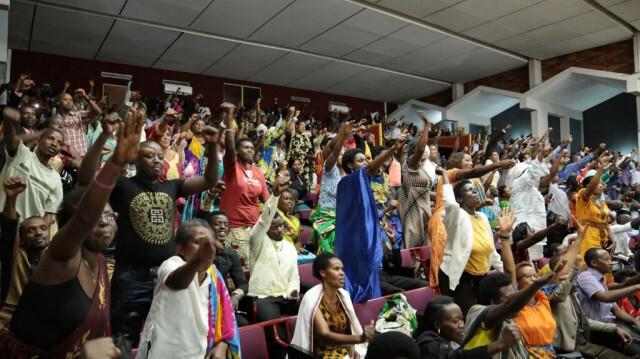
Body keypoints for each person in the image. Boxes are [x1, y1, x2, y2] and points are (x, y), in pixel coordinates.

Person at [0, 108, 142, 358]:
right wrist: (116, 163)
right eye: (96, 218)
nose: (104, 223)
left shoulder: (99, 261)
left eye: (109, 216)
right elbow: (84, 215)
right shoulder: (61, 258)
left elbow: (85, 185)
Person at [105, 107, 220, 349]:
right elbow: (94, 180)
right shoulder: (123, 186)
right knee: (124, 341)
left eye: (160, 156)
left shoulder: (172, 186)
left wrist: (211, 146)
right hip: (130, 278)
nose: (157, 160)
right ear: (136, 159)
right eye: (149, 156)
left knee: (164, 339)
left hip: (166, 275)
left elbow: (209, 181)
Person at [137, 219, 240, 359]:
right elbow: (177, 283)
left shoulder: (214, 276)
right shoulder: (171, 265)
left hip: (201, 353)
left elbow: (226, 317)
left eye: (209, 244)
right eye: (198, 243)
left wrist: (222, 344)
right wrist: (198, 259)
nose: (207, 250)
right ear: (180, 248)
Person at [335, 133, 407, 302]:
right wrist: (393, 149)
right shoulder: (348, 181)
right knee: (362, 284)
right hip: (354, 241)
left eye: (366, 159)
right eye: (361, 160)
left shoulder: (364, 182)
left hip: (364, 235)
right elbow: (371, 168)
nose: (366, 163)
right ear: (350, 165)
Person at [428, 151, 515, 286]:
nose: (471, 163)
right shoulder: (450, 173)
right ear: (458, 163)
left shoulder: (463, 183)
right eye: (467, 160)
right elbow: (474, 172)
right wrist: (498, 164)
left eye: (471, 161)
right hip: (444, 219)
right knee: (445, 260)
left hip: (460, 218)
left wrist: (479, 205)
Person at [438, 167, 511, 316]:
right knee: (470, 316)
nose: (475, 192)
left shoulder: (482, 217)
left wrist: (504, 273)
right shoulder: (456, 216)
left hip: (481, 274)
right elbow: (449, 203)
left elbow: (491, 250)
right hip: (460, 275)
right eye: (470, 190)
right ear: (460, 199)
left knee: (484, 315)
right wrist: (445, 176)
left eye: (475, 189)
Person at [248, 174, 300, 357]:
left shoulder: (290, 247)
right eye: (274, 227)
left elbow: (294, 276)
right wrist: (275, 195)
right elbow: (263, 221)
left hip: (286, 296)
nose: (279, 230)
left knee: (312, 307)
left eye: (281, 227)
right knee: (273, 327)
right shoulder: (257, 242)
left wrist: (293, 290)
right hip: (264, 297)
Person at [291, 252, 375, 358]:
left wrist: (351, 345)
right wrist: (359, 338)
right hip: (319, 353)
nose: (342, 273)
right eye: (336, 269)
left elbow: (349, 328)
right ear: (323, 273)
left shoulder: (343, 296)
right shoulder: (312, 299)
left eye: (342, 269)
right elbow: (325, 335)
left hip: (341, 349)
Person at [550, 254, 632, 359]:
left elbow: (585, 321)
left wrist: (614, 328)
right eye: (573, 267)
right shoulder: (552, 290)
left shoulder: (572, 291)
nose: (578, 270)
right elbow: (560, 295)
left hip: (584, 343)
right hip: (569, 347)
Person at [219, 102, 269, 269]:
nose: (249, 150)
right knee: (239, 271)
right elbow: (229, 147)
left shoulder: (258, 172)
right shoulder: (232, 167)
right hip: (234, 227)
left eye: (251, 148)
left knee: (257, 270)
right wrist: (229, 116)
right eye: (245, 147)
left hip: (254, 228)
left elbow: (266, 200)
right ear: (238, 151)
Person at [0, 107, 64, 224]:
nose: (55, 144)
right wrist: (7, 121)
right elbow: (11, 140)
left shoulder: (55, 178)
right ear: (39, 139)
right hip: (3, 222)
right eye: (50, 138)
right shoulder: (22, 154)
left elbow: (48, 214)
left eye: (60, 143)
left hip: (27, 234)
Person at [0, 177, 49, 327]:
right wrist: (11, 198)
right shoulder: (16, 256)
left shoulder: (56, 259)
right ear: (21, 238)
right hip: (10, 321)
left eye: (43, 228)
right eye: (31, 230)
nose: (38, 233)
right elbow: (8, 231)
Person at [415, 296, 521, 359]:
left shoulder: (454, 341)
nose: (462, 325)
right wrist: (501, 344)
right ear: (438, 325)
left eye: (462, 319)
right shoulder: (427, 345)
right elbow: (459, 357)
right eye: (456, 321)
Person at [575, 247, 640, 347]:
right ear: (594, 263)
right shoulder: (586, 277)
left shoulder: (601, 280)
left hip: (610, 327)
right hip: (595, 331)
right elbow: (605, 297)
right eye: (606, 259)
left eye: (610, 259)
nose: (611, 263)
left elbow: (616, 310)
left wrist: (635, 322)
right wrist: (636, 287)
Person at [311, 121, 354, 253]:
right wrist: (343, 135)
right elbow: (333, 153)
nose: (340, 155)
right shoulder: (329, 169)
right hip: (326, 217)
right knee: (326, 253)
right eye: (339, 154)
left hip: (343, 218)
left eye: (343, 154)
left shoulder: (350, 176)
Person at [204, 210, 249, 327]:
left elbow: (243, 284)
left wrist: (236, 295)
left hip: (222, 303)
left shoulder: (231, 254)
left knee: (242, 323)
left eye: (225, 224)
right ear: (208, 228)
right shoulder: (200, 253)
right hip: (202, 303)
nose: (223, 227)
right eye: (218, 224)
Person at [398, 111, 433, 248]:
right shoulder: (410, 164)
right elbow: (420, 149)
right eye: (421, 151)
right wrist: (426, 127)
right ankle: (413, 269)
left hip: (424, 207)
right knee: (413, 240)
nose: (424, 152)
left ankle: (423, 269)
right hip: (411, 206)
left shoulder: (423, 169)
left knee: (425, 242)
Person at [53, 89, 102, 157]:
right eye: (65, 99)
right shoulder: (54, 120)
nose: (69, 101)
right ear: (58, 102)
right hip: (62, 158)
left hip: (80, 157)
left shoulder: (79, 115)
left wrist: (85, 97)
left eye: (71, 100)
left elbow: (98, 112)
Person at [287, 114, 314, 192]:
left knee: (305, 185)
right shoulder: (293, 135)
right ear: (296, 126)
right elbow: (289, 130)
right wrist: (295, 116)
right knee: (294, 185)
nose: (303, 127)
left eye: (304, 126)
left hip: (305, 165)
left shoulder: (307, 138)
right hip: (294, 163)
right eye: (301, 125)